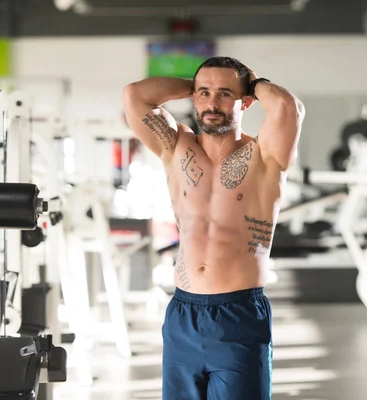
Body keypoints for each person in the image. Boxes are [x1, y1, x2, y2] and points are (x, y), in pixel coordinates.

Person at [122, 56, 305, 400]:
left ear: (246, 101)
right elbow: (135, 95)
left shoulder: (264, 156)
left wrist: (253, 82)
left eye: (224, 94)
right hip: (183, 314)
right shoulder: (176, 146)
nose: (211, 103)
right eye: (204, 93)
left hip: (239, 312)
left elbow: (286, 107)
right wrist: (196, 84)